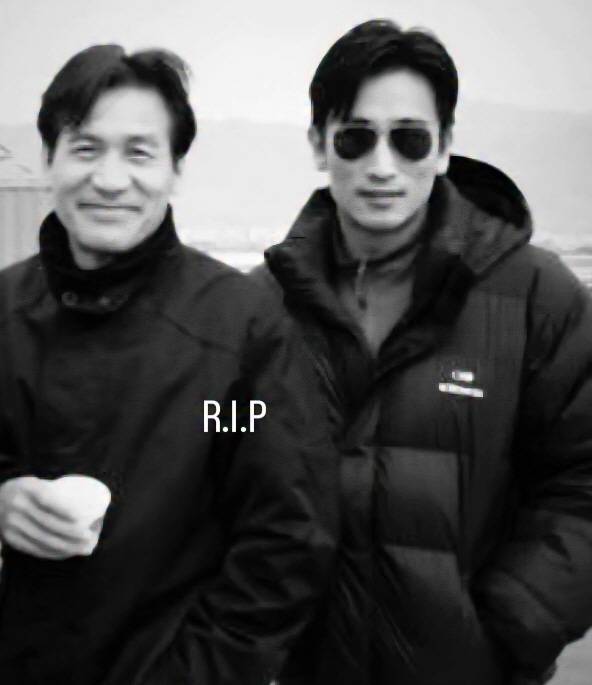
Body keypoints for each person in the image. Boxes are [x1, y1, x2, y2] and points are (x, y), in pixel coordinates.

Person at [253, 19, 592, 685]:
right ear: (319, 144)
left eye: (409, 139)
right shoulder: (257, 308)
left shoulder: (539, 298)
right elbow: (220, 440)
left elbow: (584, 479)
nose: (382, 166)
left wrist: (508, 625)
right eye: (355, 138)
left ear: (444, 148)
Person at [0, 45, 337, 685]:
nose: (109, 179)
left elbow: (284, 533)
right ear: (49, 159)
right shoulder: (6, 315)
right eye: (85, 148)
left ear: (176, 169)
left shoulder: (235, 334)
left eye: (139, 153)